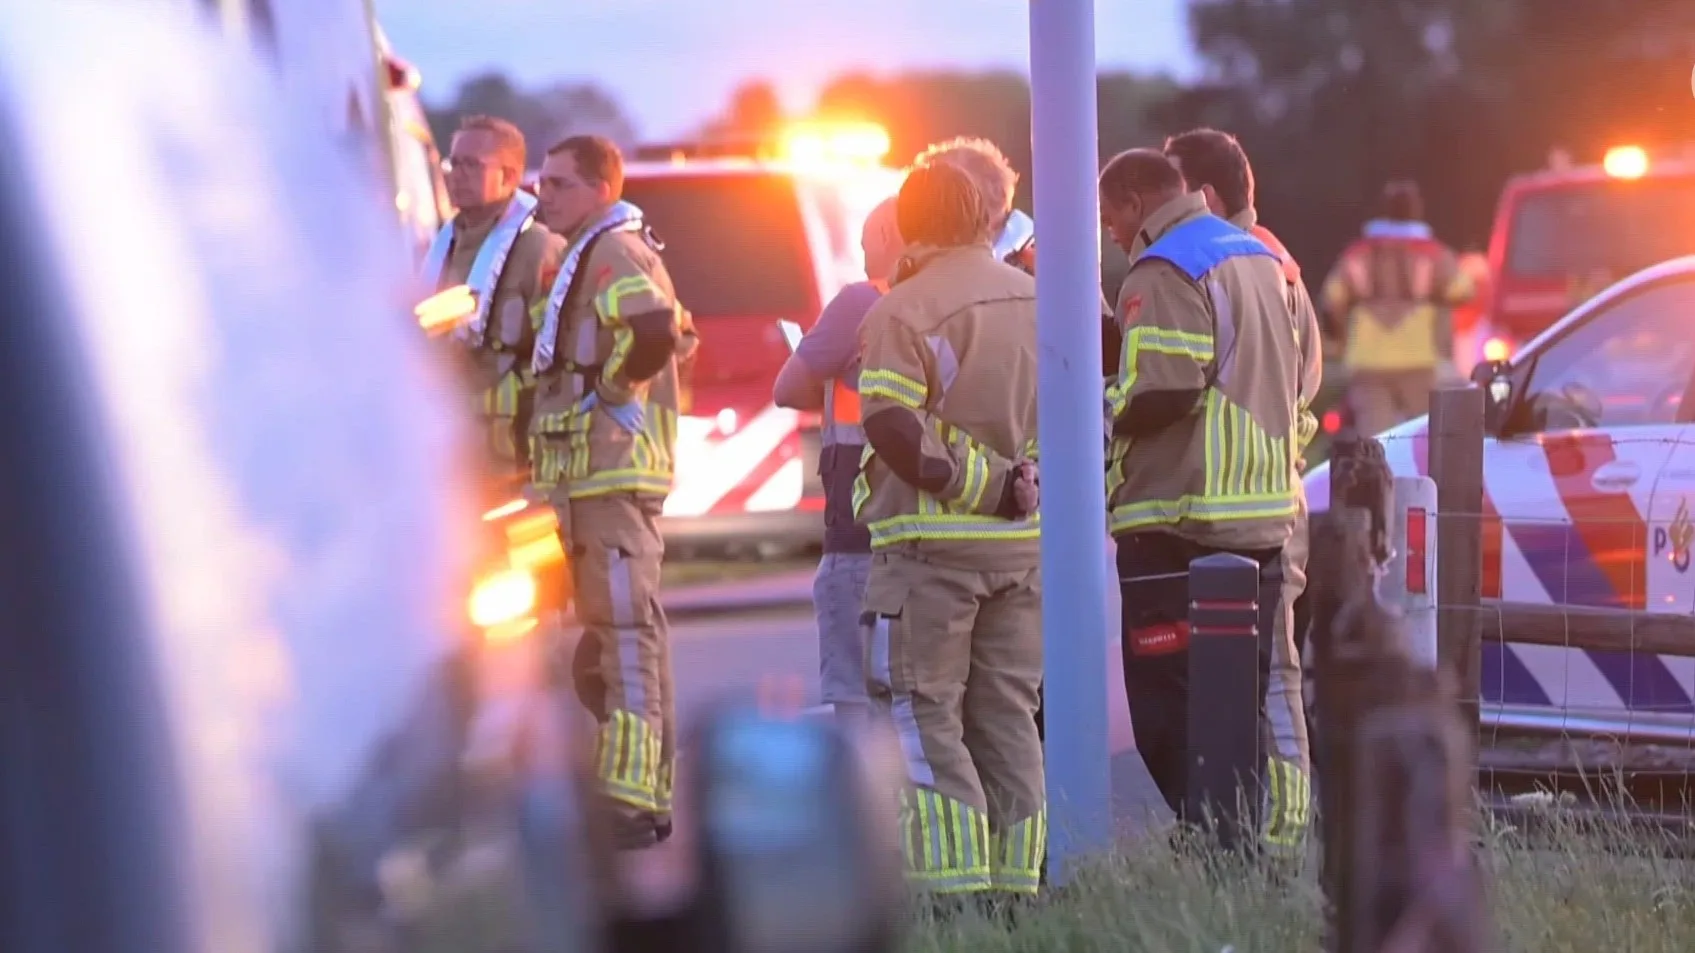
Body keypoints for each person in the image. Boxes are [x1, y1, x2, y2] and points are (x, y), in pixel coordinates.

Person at [855, 149, 1044, 899]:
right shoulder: (1034, 296)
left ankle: (953, 893)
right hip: (1021, 553)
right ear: (983, 218)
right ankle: (1018, 889)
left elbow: (891, 425)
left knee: (922, 713)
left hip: (930, 550)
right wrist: (1017, 490)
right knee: (1007, 717)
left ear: (907, 222)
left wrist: (979, 485)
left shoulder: (902, 308)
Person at [1098, 148, 1300, 837]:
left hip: (1178, 519)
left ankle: (1217, 841)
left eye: (1109, 218)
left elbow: (1167, 383)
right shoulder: (1253, 255)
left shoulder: (1163, 267)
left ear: (1132, 201)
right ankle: (1251, 840)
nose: (1109, 235)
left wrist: (1098, 412)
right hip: (1260, 516)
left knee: (1165, 706)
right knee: (1239, 706)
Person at [527, 133, 698, 849]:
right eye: (541, 184)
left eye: (559, 184)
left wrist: (610, 385)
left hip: (613, 471)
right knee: (617, 635)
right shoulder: (586, 254)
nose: (543, 197)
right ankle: (636, 789)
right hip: (593, 477)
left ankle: (630, 798)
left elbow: (654, 330)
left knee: (624, 635)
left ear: (601, 188)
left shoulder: (613, 252)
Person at [1163, 127, 1316, 850]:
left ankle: (1277, 834)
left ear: (1207, 197)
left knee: (1271, 673)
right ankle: (1261, 828)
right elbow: (1305, 389)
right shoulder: (1274, 262)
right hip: (1268, 497)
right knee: (1264, 674)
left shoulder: (1244, 264)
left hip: (1248, 505)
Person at [772, 195, 904, 730]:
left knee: (859, 709)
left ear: (893, 236)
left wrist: (825, 374)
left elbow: (787, 389)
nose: (860, 248)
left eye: (868, 236)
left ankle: (875, 813)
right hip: (936, 532)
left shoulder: (861, 302)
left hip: (859, 529)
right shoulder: (962, 304)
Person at [420, 115, 566, 470]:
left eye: (471, 164)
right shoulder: (440, 248)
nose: (456, 174)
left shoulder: (540, 250)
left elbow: (564, 361)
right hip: (446, 458)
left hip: (516, 459)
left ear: (510, 177)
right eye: (453, 163)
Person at [1321, 180, 1475, 436]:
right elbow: (1463, 290)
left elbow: (1331, 299)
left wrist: (1338, 344)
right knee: (1424, 436)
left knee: (1376, 439)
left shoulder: (1358, 253)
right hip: (1419, 359)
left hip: (1366, 362)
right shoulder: (1432, 253)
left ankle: (1381, 476)